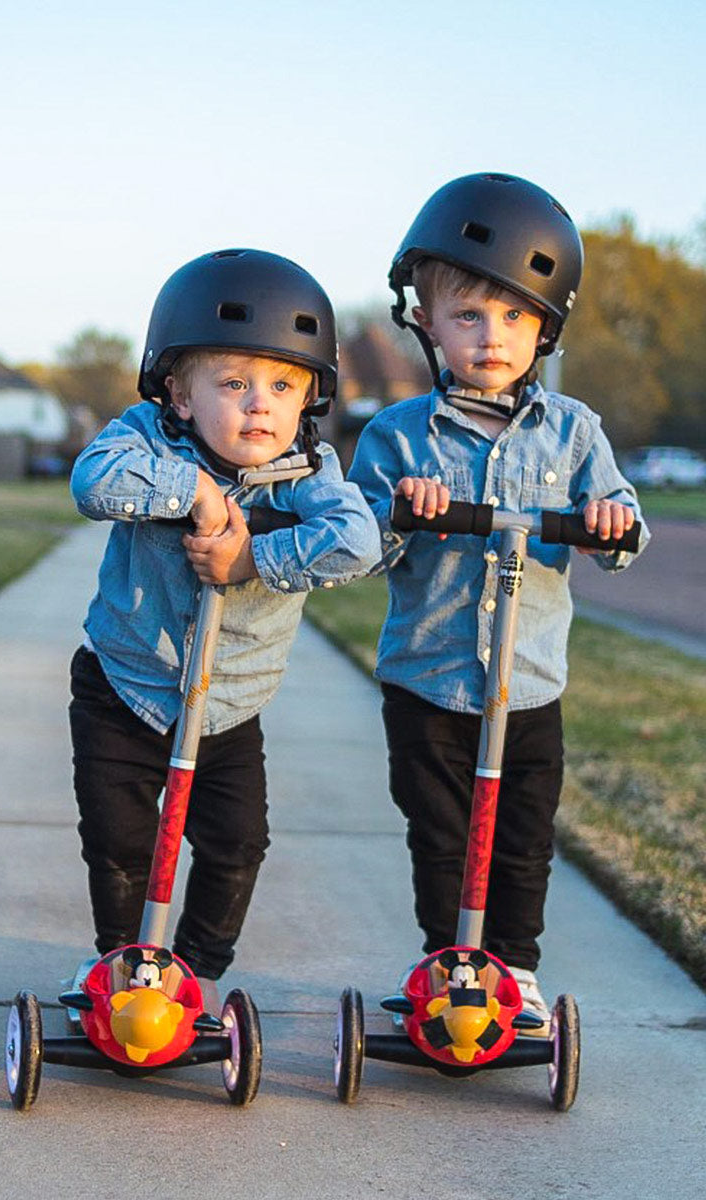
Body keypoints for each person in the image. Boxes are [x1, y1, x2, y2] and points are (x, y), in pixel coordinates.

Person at [348, 172, 648, 1030]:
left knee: (520, 842)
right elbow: (361, 543)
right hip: (429, 683)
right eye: (469, 315)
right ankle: (448, 967)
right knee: (442, 840)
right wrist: (403, 513)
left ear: (545, 327)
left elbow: (625, 527)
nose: (491, 336)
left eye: (514, 317)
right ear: (426, 321)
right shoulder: (397, 436)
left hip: (529, 686)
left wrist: (608, 523)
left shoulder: (576, 432)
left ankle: (513, 973)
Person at [69, 249, 381, 999]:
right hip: (126, 687)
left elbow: (358, 542)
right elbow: (92, 481)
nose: (258, 406)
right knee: (121, 844)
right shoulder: (145, 438)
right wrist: (197, 492)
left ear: (309, 397)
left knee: (238, 846)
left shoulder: (310, 474)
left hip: (230, 707)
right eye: (234, 383)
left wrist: (252, 558)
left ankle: (196, 976)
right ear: (178, 393)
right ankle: (124, 967)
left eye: (282, 385)